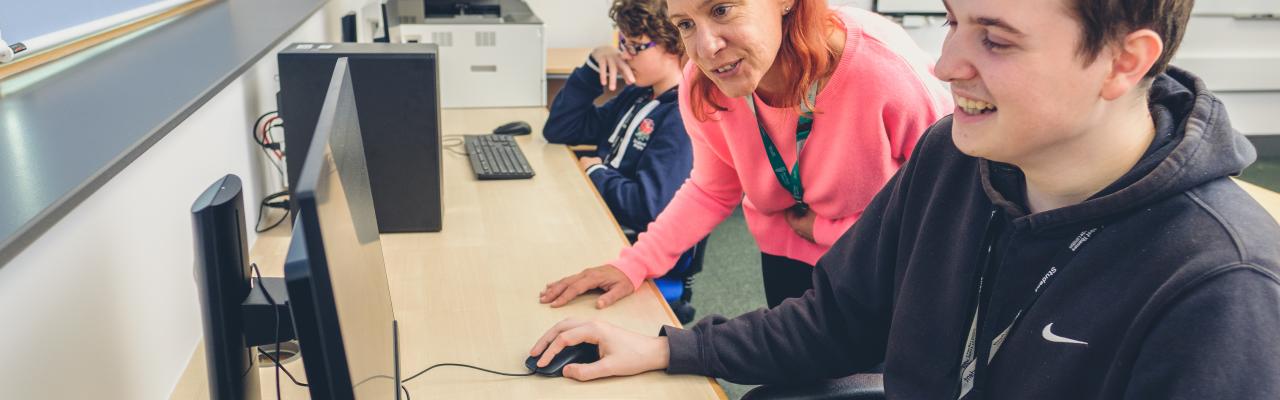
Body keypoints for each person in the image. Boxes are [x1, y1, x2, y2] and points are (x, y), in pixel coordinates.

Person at [528, 0, 1280, 397]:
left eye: (996, 38)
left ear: (1124, 61)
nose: (947, 63)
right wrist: (668, 346)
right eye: (953, 21)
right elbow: (839, 320)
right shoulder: (952, 159)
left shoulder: (1223, 288)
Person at [540, 0, 952, 310]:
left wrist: (829, 232)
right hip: (786, 253)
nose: (705, 47)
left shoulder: (885, 75)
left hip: (884, 265)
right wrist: (633, 264)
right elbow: (711, 190)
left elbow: (948, 215)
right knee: (797, 378)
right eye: (685, 24)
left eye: (721, 9)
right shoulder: (706, 81)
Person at [542, 0, 703, 321]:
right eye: (622, 43)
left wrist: (597, 172)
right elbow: (560, 129)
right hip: (600, 217)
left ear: (675, 44)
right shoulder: (638, 94)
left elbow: (647, 207)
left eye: (637, 46)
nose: (625, 54)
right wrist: (592, 66)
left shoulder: (680, 117)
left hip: (627, 242)